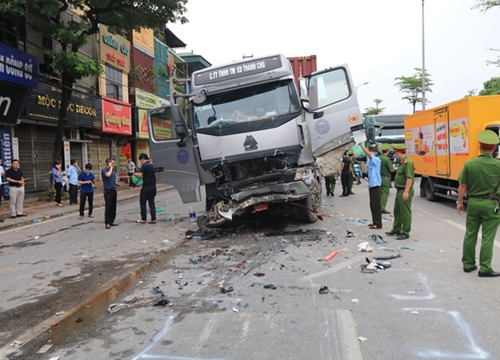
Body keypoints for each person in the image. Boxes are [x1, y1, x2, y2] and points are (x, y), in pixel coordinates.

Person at [457, 130, 500, 277]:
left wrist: (459, 202)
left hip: (473, 202)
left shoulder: (469, 164)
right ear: (494, 148)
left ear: (480, 147)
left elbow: (462, 186)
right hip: (491, 204)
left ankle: (468, 264)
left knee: (470, 234)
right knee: (488, 237)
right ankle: (485, 268)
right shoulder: (498, 165)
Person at [385, 144, 414, 240]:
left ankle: (405, 232)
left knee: (405, 212)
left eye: (396, 153)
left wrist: (406, 192)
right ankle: (396, 229)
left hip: (404, 190)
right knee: (397, 211)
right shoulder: (402, 162)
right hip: (399, 190)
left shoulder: (408, 163)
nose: (395, 155)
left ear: (399, 152)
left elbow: (409, 178)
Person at [360, 142, 383, 229]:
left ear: (376, 152)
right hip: (373, 185)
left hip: (377, 185)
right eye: (370, 150)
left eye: (373, 150)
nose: (371, 152)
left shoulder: (376, 159)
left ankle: (378, 224)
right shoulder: (370, 160)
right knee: (372, 205)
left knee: (376, 205)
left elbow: (369, 155)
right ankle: (374, 221)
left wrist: (361, 145)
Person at [134, 153, 157, 224]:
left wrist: (136, 174)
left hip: (146, 187)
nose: (141, 162)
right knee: (151, 203)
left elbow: (140, 175)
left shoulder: (144, 165)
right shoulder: (152, 165)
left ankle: (143, 219)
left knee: (143, 203)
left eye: (141, 160)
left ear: (143, 159)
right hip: (153, 186)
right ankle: (153, 219)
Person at [102, 158, 118, 229]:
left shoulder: (113, 172)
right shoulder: (104, 170)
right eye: (112, 163)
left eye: (113, 163)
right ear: (108, 163)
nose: (113, 165)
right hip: (108, 190)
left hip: (113, 190)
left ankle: (111, 220)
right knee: (108, 206)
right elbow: (108, 175)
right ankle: (107, 222)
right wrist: (111, 168)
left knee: (113, 206)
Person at [380, 144, 395, 214]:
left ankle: (379, 206)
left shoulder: (379, 158)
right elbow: (391, 169)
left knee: (380, 192)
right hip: (386, 177)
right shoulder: (387, 159)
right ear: (387, 151)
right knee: (385, 193)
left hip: (380, 177)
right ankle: (382, 208)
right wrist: (395, 169)